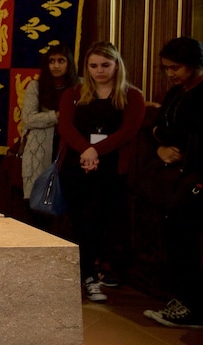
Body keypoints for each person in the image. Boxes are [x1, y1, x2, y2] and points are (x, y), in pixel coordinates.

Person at [141, 37, 203, 340]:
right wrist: (162, 146)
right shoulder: (177, 92)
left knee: (185, 235)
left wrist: (172, 139)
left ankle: (194, 307)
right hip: (175, 174)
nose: (170, 74)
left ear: (194, 64)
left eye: (175, 68)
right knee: (172, 233)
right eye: (165, 69)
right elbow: (160, 128)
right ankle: (183, 301)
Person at [58, 41, 145, 302]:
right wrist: (86, 150)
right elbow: (65, 126)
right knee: (76, 224)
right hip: (76, 165)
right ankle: (79, 275)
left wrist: (96, 151)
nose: (99, 71)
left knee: (97, 224)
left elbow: (128, 131)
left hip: (110, 169)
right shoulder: (74, 92)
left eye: (105, 65)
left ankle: (91, 276)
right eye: (93, 66)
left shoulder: (131, 95)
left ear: (116, 65)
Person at [21, 46, 79, 202]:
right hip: (40, 149)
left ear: (69, 63)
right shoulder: (36, 86)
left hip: (70, 147)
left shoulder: (80, 86)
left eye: (61, 61)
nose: (56, 66)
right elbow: (29, 119)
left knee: (70, 199)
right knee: (39, 201)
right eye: (51, 61)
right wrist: (58, 115)